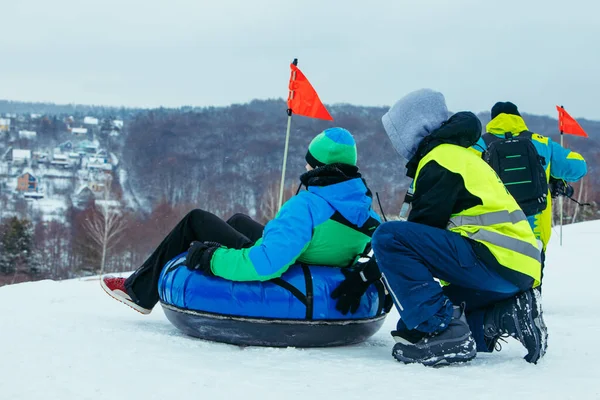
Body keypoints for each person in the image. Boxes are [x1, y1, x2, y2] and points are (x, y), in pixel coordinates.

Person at [101, 127, 381, 315]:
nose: (305, 167)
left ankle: (138, 292)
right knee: (238, 221)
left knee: (196, 220)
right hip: (313, 256)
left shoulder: (308, 206)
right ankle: (140, 286)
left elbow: (265, 264)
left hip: (290, 268)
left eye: (309, 162)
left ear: (318, 167)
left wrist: (211, 258)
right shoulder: (367, 212)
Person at [361, 89, 545, 366]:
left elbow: (415, 236)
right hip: (519, 271)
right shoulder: (465, 156)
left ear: (413, 129)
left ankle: (445, 334)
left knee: (388, 236)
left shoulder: (439, 158)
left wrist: (369, 274)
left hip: (492, 261)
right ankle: (502, 316)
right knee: (409, 327)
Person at [471, 101, 587, 270]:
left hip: (492, 231)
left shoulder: (478, 145)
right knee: (532, 283)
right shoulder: (541, 143)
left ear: (492, 120)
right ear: (519, 118)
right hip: (534, 231)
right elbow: (578, 168)